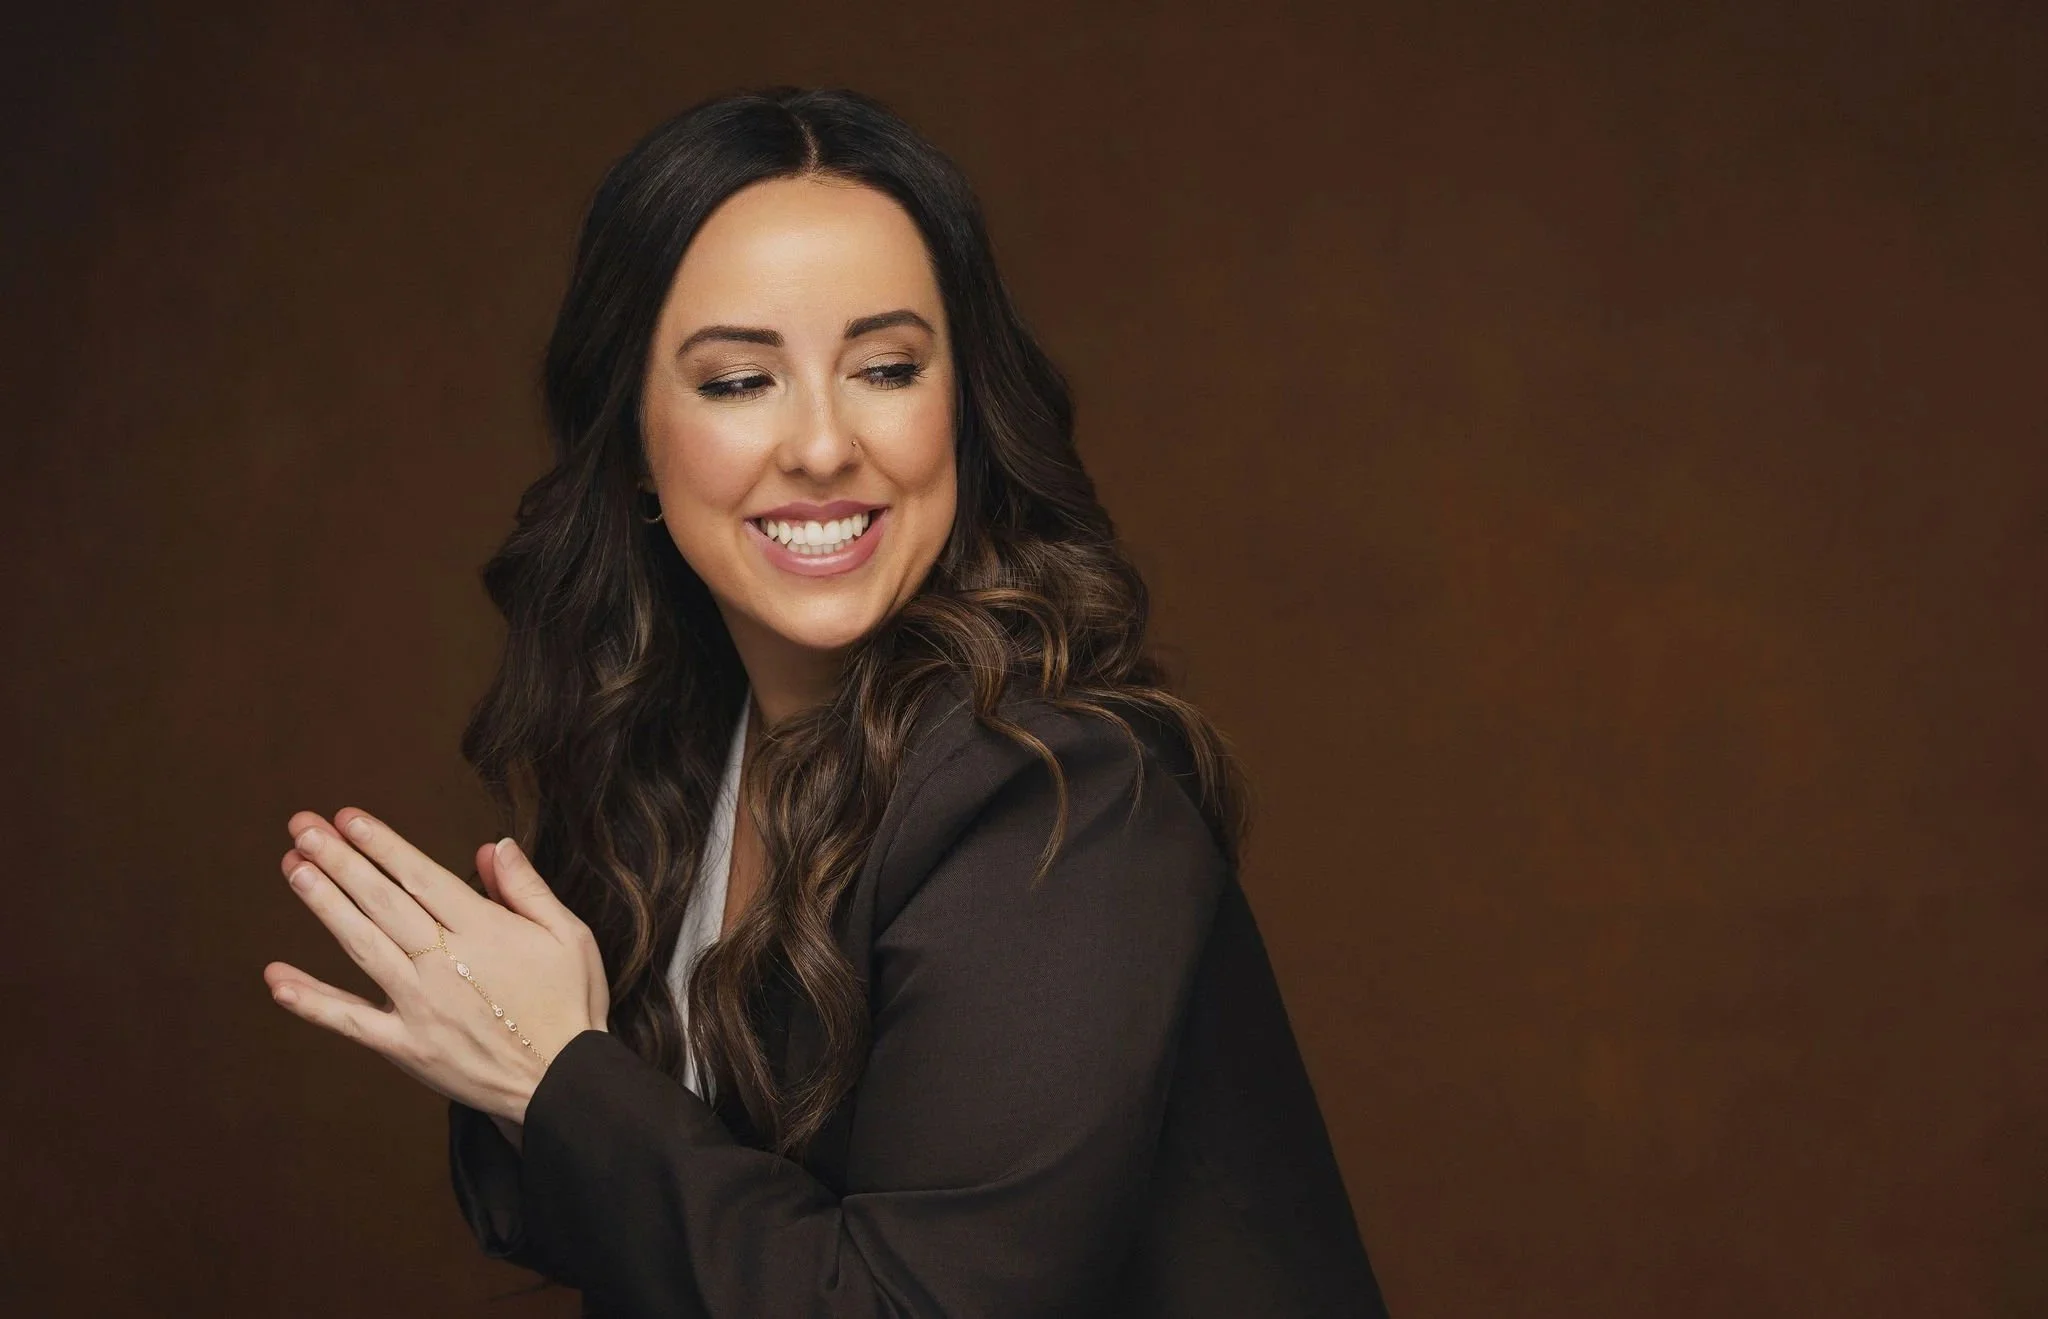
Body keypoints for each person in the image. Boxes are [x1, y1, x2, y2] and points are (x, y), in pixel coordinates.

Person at [263, 85, 1390, 1318]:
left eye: (887, 367)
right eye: (740, 380)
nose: (820, 444)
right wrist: (505, 1043)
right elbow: (564, 1207)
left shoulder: (1058, 790)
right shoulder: (682, 745)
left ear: (959, 405)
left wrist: (554, 1076)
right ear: (635, 441)